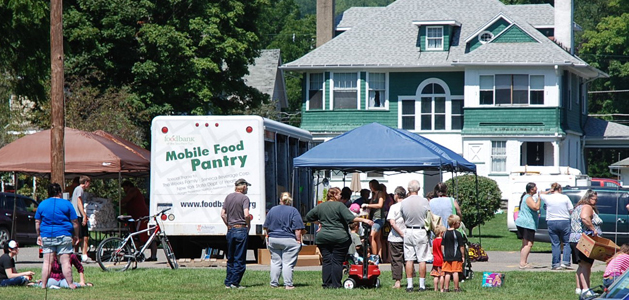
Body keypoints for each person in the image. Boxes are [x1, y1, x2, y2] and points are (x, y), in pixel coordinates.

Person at [304, 187, 373, 289]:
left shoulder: (320, 206)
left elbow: (308, 217)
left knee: (327, 261)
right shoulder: (340, 206)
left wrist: (319, 223)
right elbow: (350, 218)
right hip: (339, 237)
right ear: (335, 195)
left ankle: (326, 284)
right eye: (340, 194)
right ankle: (336, 284)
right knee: (337, 261)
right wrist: (365, 221)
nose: (341, 196)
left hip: (323, 238)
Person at [36, 183, 80, 289]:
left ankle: (44, 285)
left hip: (47, 236)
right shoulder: (67, 204)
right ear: (60, 193)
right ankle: (70, 284)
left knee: (47, 262)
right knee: (65, 262)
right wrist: (76, 235)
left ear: (48, 193)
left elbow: (37, 222)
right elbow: (75, 222)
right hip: (64, 235)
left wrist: (39, 235)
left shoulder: (42, 204)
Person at [263, 192, 304, 290]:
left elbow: (266, 226)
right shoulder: (293, 211)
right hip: (288, 239)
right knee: (287, 263)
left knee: (275, 262)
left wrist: (269, 237)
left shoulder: (272, 210)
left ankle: (274, 283)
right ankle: (288, 284)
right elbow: (298, 229)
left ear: (280, 200)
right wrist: (298, 240)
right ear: (290, 200)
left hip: (273, 239)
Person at [400, 179, 432, 292]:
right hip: (420, 230)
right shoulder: (424, 201)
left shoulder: (403, 202)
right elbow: (428, 215)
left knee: (409, 258)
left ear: (409, 189)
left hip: (408, 230)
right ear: (418, 189)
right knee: (422, 258)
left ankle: (410, 285)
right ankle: (422, 285)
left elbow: (403, 216)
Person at [569, 189, 602, 295]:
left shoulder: (578, 207)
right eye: (594, 199)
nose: (595, 201)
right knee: (586, 265)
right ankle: (586, 289)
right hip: (584, 239)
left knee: (581, 265)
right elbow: (584, 218)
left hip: (574, 238)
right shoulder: (586, 207)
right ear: (587, 198)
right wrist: (593, 229)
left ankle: (579, 288)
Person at [221, 178, 252, 289]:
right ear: (243, 187)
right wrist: (248, 225)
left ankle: (228, 282)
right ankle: (235, 282)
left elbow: (222, 214)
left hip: (230, 230)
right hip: (240, 229)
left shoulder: (228, 197)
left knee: (231, 257)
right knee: (240, 258)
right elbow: (246, 214)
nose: (247, 188)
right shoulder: (244, 198)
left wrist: (228, 224)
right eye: (247, 186)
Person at [540, 182, 574, 270]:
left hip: (551, 221)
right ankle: (565, 262)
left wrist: (549, 191)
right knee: (566, 242)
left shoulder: (548, 198)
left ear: (552, 189)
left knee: (555, 243)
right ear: (560, 189)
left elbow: (540, 194)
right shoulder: (565, 197)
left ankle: (555, 264)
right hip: (564, 220)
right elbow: (571, 209)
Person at [121, 180, 157, 261]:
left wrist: (118, 202)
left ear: (129, 186)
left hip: (141, 217)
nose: (124, 190)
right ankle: (139, 253)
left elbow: (126, 200)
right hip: (135, 218)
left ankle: (151, 255)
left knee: (143, 236)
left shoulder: (133, 190)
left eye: (124, 188)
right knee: (137, 236)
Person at [514, 182, 541, 269]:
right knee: (528, 244)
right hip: (527, 223)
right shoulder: (528, 198)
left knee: (525, 243)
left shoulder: (526, 197)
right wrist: (540, 199)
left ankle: (523, 262)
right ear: (531, 189)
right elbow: (535, 207)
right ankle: (522, 263)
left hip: (523, 223)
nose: (536, 189)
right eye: (535, 188)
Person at [387, 186, 406, 289]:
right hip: (408, 235)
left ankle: (398, 281)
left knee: (396, 259)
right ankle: (410, 280)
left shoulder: (394, 207)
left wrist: (400, 233)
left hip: (395, 237)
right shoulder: (408, 206)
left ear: (397, 195)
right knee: (408, 259)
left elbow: (392, 223)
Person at [362, 179, 385, 262]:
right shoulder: (373, 194)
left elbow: (380, 205)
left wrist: (368, 204)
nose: (370, 188)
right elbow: (371, 205)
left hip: (379, 218)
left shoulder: (380, 193)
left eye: (370, 186)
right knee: (378, 238)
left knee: (371, 237)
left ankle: (374, 257)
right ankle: (379, 257)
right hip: (374, 218)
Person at [71, 175, 92, 263]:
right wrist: (84, 215)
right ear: (86, 182)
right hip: (78, 215)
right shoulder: (79, 189)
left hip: (77, 215)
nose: (89, 185)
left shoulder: (78, 189)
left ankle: (79, 254)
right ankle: (80, 254)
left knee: (82, 236)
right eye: (89, 183)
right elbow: (79, 202)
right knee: (81, 236)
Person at [442, 215, 465, 292]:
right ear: (455, 223)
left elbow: (442, 245)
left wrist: (443, 254)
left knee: (447, 273)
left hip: (447, 256)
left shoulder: (445, 233)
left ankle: (446, 288)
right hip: (456, 256)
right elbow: (461, 246)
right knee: (455, 272)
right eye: (459, 223)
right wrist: (463, 255)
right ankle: (456, 288)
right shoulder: (458, 234)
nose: (459, 224)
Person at [431, 225, 446, 292]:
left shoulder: (434, 241)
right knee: (442, 275)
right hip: (441, 260)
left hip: (435, 260)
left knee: (436, 276)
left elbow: (432, 251)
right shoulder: (442, 241)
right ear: (441, 233)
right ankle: (442, 289)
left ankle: (435, 288)